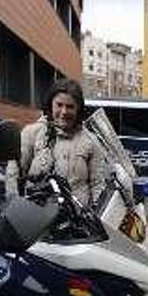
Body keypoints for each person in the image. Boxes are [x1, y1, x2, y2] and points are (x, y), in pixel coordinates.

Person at [21, 79, 106, 208]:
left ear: (78, 109)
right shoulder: (32, 133)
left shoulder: (91, 141)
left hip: (75, 221)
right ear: (51, 105)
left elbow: (98, 185)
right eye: (59, 105)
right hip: (36, 218)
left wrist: (95, 217)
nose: (64, 112)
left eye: (70, 107)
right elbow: (16, 174)